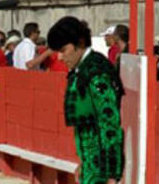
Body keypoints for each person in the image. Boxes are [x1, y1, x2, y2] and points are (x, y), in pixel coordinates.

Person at [47, 16, 124, 184]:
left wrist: (112, 174)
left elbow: (109, 124)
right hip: (91, 164)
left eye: (63, 50)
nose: (60, 57)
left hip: (100, 170)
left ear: (80, 43)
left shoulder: (96, 72)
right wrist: (83, 161)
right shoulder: (83, 68)